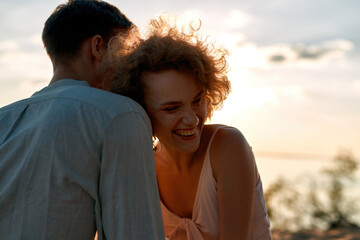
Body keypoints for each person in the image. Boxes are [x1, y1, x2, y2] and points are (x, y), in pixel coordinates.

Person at [0, 1, 164, 239]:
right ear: (97, 46)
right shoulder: (120, 115)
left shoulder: (3, 118)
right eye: (124, 49)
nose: (128, 64)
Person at [111, 16, 272, 239]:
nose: (192, 119)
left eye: (197, 101)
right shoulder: (143, 165)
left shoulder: (227, 145)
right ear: (140, 111)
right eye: (171, 108)